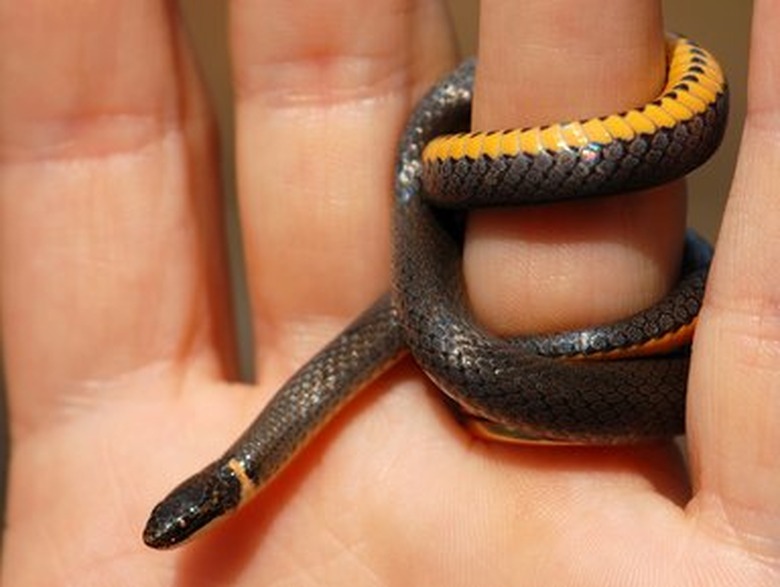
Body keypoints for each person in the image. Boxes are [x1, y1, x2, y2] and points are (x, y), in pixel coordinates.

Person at [1, 0, 777, 584]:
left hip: (453, 243)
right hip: (462, 295)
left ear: (216, 494)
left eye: (183, 523)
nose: (178, 532)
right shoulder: (437, 324)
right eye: (184, 525)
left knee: (438, 231)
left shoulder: (436, 300)